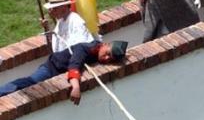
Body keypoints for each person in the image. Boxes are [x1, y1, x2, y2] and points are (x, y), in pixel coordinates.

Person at [0, 40, 128, 105]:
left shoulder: (98, 54)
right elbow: (74, 65)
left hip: (59, 72)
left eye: (110, 59)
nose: (106, 58)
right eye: (107, 54)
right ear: (105, 45)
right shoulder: (84, 48)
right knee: (30, 83)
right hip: (51, 68)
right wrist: (76, 87)